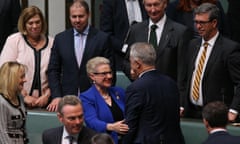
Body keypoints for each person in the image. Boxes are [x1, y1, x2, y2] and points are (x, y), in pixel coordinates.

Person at [47, 0, 114, 112]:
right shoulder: (61, 39)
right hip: (67, 98)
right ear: (69, 17)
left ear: (88, 15)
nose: (77, 20)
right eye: (74, 17)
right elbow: (53, 70)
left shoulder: (102, 38)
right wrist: (56, 95)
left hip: (95, 98)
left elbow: (109, 71)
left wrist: (104, 95)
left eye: (81, 16)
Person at [180, 3, 240, 122]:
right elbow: (185, 79)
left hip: (217, 116)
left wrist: (233, 110)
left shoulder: (229, 48)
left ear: (214, 23)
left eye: (202, 23)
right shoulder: (192, 45)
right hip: (191, 113)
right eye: (196, 22)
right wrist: (182, 105)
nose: (198, 26)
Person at [123, 42, 185, 144]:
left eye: (131, 62)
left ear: (137, 64)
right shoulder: (171, 82)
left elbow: (131, 125)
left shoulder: (136, 88)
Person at [123, 0, 191, 87]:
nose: (153, 10)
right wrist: (134, 73)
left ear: (165, 4)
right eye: (149, 5)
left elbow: (183, 69)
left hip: (167, 91)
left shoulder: (180, 32)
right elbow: (126, 61)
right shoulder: (136, 30)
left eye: (156, 5)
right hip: (141, 89)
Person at [0, 6, 53, 108]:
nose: (34, 26)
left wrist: (47, 95)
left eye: (38, 22)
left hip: (47, 103)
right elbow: (4, 72)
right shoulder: (14, 40)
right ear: (24, 24)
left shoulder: (52, 43)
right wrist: (23, 96)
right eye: (30, 23)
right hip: (15, 102)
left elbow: (58, 73)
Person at [80, 57, 128, 144]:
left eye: (110, 72)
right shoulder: (86, 97)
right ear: (92, 76)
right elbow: (91, 121)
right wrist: (111, 127)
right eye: (104, 74)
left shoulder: (119, 92)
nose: (109, 76)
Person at [100, 0, 148, 70]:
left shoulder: (145, 2)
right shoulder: (111, 3)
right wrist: (125, 48)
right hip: (121, 59)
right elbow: (105, 33)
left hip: (146, 60)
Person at [0, 62, 28, 144]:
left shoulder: (20, 97)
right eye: (22, 77)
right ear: (11, 78)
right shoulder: (1, 102)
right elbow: (1, 132)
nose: (25, 80)